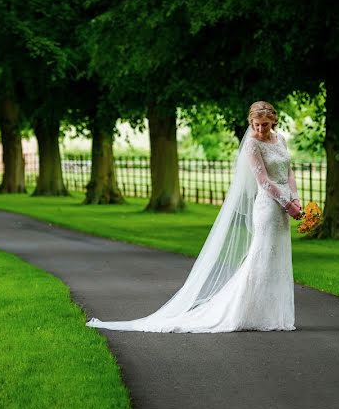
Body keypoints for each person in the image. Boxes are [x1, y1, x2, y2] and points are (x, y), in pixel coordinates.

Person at [86, 101, 301, 333]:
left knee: (278, 258)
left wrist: (296, 199)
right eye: (257, 125)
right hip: (269, 205)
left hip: (285, 205)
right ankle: (244, 312)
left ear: (274, 122)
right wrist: (286, 203)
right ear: (251, 123)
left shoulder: (280, 140)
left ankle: (273, 315)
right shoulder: (251, 144)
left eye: (266, 125)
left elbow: (288, 171)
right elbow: (263, 182)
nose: (261, 129)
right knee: (261, 257)